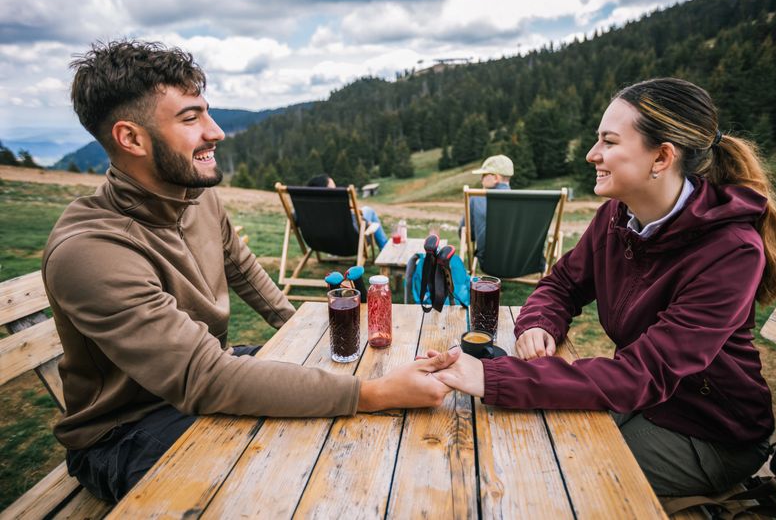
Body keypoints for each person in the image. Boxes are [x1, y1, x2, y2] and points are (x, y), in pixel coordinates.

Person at [42, 40, 458, 503]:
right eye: (190, 118)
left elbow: (242, 269)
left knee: (342, 393)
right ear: (131, 138)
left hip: (212, 371)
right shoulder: (92, 251)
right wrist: (374, 394)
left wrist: (302, 328)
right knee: (278, 484)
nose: (215, 131)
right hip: (126, 428)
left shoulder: (196, 197)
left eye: (207, 112)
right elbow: (204, 377)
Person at [433, 77, 776, 497]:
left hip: (710, 428)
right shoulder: (618, 215)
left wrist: (493, 377)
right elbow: (563, 282)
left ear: (661, 157)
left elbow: (643, 373)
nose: (592, 154)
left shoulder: (730, 251)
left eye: (609, 142)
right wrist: (539, 323)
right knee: (523, 439)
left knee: (557, 477)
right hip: (641, 399)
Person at [461, 155, 544, 271]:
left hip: (489, 264)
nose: (481, 179)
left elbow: (466, 233)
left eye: (484, 175)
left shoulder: (476, 199)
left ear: (495, 178)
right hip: (526, 264)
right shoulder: (527, 202)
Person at [306, 173, 388, 249]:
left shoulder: (305, 210)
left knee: (365, 211)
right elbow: (356, 222)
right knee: (369, 210)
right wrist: (367, 223)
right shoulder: (336, 206)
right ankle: (385, 248)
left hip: (322, 244)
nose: (336, 190)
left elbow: (295, 219)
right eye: (333, 188)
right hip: (350, 243)